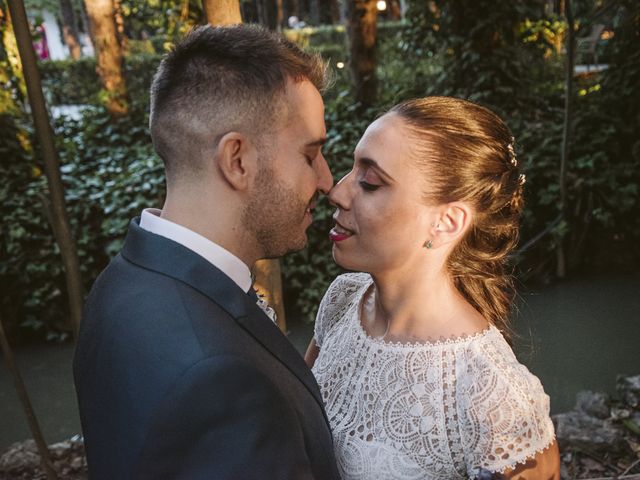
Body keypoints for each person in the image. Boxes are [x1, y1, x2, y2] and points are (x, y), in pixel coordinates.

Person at [73, 24, 340, 479]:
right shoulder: (219, 380)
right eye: (310, 154)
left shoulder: (122, 281)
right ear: (237, 160)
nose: (327, 180)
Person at [305, 97, 560, 479]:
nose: (338, 192)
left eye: (370, 183)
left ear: (446, 222)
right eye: (351, 169)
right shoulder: (343, 299)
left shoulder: (494, 395)